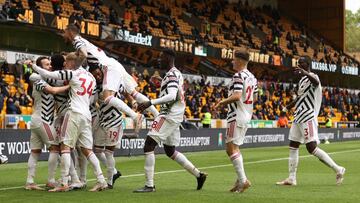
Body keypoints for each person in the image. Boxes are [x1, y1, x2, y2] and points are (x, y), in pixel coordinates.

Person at [62, 24, 159, 135]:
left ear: (69, 31)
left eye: (64, 32)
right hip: (114, 64)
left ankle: (135, 116)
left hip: (108, 66)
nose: (63, 35)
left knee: (107, 97)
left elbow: (83, 54)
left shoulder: (76, 40)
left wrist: (75, 68)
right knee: (134, 93)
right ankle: (157, 115)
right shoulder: (83, 41)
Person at [31, 52, 108, 192]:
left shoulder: (72, 74)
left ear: (72, 62)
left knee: (65, 147)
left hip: (73, 113)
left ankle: (64, 182)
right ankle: (101, 180)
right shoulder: (90, 76)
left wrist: (33, 67)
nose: (65, 64)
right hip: (86, 115)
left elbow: (50, 76)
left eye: (67, 61)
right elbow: (92, 98)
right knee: (87, 150)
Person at [134, 49, 207, 193]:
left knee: (149, 145)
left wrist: (150, 102)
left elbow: (172, 95)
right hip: (175, 115)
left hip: (169, 115)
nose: (159, 59)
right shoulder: (175, 73)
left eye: (161, 57)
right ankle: (199, 175)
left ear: (168, 57)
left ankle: (149, 185)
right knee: (170, 150)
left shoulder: (172, 74)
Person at [276, 56, 345, 186]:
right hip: (298, 116)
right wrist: (286, 107)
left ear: (308, 64)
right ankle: (291, 178)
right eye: (298, 63)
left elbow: (316, 83)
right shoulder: (302, 80)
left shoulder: (313, 76)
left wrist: (305, 73)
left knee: (312, 148)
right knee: (293, 145)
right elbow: (299, 98)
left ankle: (338, 169)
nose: (299, 65)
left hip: (308, 116)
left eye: (301, 63)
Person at [214, 48, 258, 193]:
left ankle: (243, 180)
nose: (232, 61)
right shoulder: (252, 77)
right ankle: (240, 180)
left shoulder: (238, 76)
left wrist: (222, 102)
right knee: (236, 148)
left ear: (239, 60)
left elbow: (237, 95)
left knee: (230, 148)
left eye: (234, 59)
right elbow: (255, 98)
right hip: (246, 114)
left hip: (236, 115)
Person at [24, 57, 70, 190]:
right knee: (55, 148)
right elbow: (51, 90)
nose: (50, 66)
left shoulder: (46, 78)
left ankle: (30, 181)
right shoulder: (37, 78)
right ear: (39, 67)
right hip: (43, 120)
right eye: (47, 64)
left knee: (35, 151)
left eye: (50, 64)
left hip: (36, 120)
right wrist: (70, 85)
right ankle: (50, 180)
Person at [89, 65, 127, 189]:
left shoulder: (111, 85)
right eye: (95, 75)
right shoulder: (96, 87)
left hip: (114, 121)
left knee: (109, 152)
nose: (97, 77)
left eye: (99, 74)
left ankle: (110, 182)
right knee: (97, 150)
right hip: (103, 121)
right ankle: (115, 172)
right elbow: (92, 100)